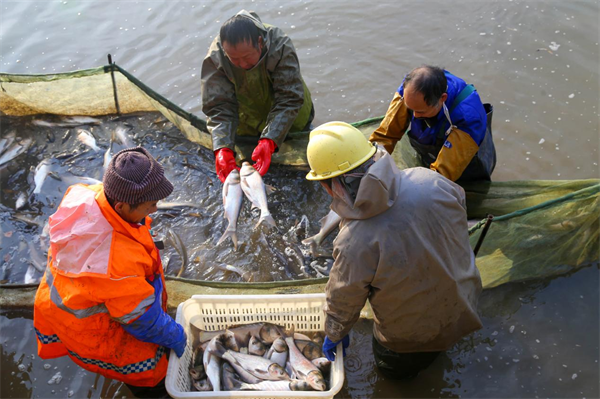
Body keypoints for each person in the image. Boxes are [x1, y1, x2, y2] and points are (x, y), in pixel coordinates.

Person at [306, 122, 483, 379]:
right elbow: (458, 214)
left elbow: (343, 299)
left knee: (396, 380)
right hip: (465, 306)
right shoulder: (431, 179)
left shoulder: (355, 240)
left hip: (408, 339)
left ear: (331, 184)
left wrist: (334, 334)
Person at [33, 147, 186, 398]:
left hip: (71, 301)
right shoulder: (116, 261)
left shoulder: (86, 195)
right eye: (151, 204)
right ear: (123, 206)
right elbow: (142, 321)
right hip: (94, 332)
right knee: (151, 376)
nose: (156, 210)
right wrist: (179, 337)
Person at [201, 9, 314, 182]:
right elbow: (219, 107)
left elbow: (289, 98)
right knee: (255, 165)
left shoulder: (279, 45)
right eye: (234, 59)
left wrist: (270, 139)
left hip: (291, 114)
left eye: (247, 57)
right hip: (248, 117)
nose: (242, 64)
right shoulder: (216, 56)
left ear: (259, 43)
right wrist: (222, 148)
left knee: (301, 163)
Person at [369, 65, 496, 182]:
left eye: (420, 111)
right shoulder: (410, 90)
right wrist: (370, 164)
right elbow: (385, 136)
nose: (415, 116)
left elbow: (442, 175)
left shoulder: (468, 118)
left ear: (442, 98)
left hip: (467, 168)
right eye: (411, 109)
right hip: (430, 154)